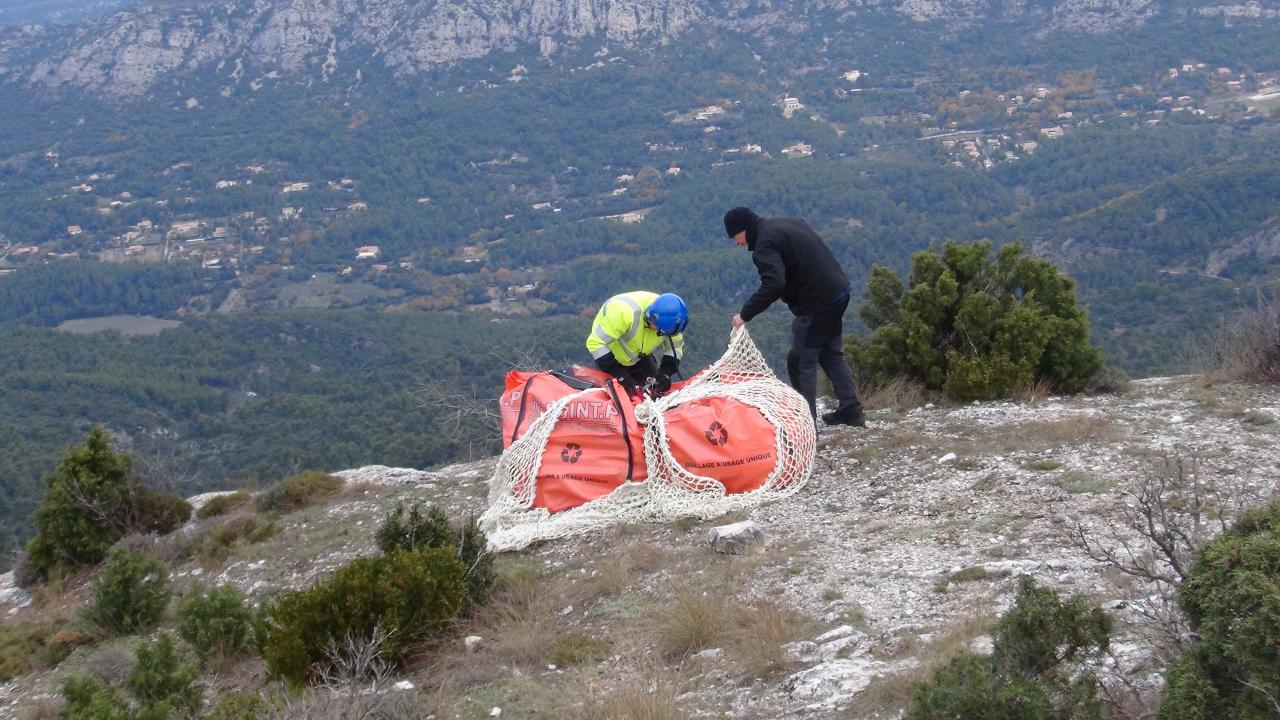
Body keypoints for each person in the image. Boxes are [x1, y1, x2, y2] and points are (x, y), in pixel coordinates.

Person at [724, 206, 865, 427]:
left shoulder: (763, 244)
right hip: (839, 291)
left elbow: (774, 283)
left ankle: (805, 426)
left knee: (799, 362)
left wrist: (744, 315)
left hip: (816, 303)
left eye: (734, 236)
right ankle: (851, 411)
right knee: (830, 353)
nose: (736, 242)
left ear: (743, 229)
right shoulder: (789, 223)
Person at [586, 291, 687, 397]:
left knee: (654, 395)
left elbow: (675, 348)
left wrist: (666, 373)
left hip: (640, 358)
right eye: (659, 330)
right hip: (610, 362)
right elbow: (595, 343)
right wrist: (620, 376)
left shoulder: (673, 324)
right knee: (613, 403)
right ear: (651, 317)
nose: (660, 334)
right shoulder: (623, 313)